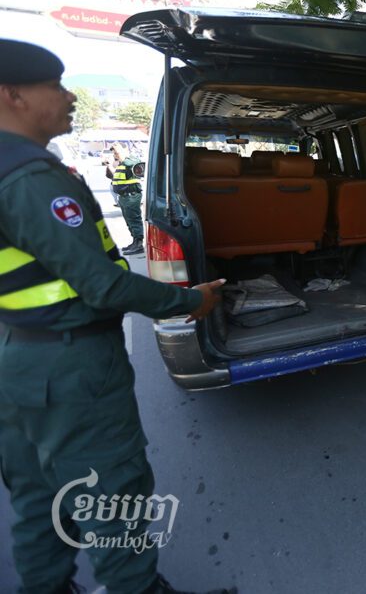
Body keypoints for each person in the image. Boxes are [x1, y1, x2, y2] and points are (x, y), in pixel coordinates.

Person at [0, 39, 233, 594]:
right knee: (114, 494)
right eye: (54, 86)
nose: (68, 96)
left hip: (23, 359)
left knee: (38, 497)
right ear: (11, 95)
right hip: (73, 366)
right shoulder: (32, 181)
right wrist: (189, 301)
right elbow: (102, 285)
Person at [109, 143, 146, 255]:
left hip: (131, 196)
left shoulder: (130, 160)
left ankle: (139, 244)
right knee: (129, 221)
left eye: (117, 152)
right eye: (114, 153)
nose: (115, 155)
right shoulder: (120, 163)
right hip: (124, 197)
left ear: (125, 150)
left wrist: (123, 158)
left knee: (134, 220)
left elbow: (134, 163)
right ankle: (135, 242)